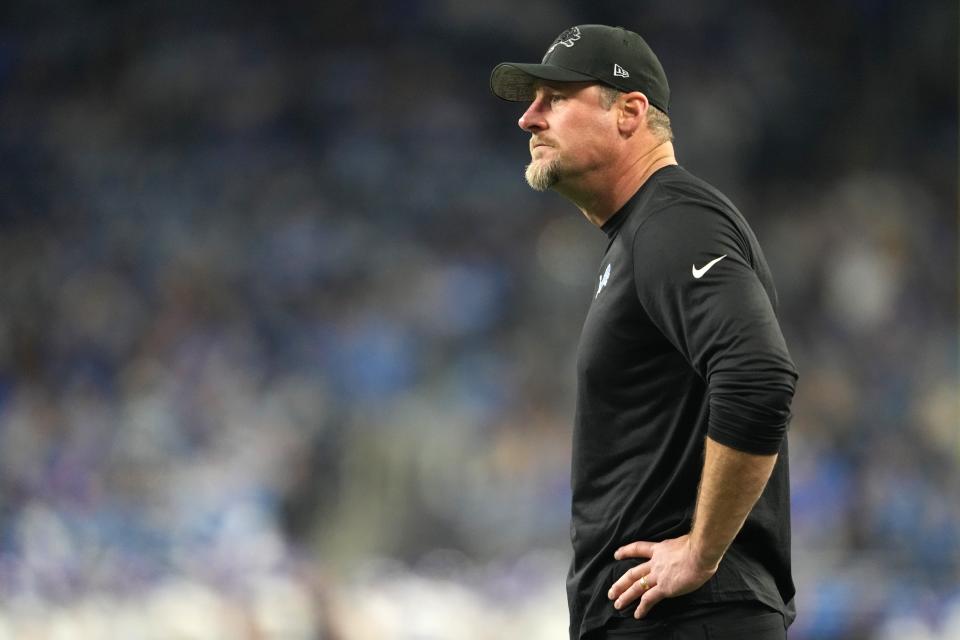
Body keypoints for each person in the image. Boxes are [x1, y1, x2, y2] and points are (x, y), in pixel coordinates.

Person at [490, 25, 799, 640]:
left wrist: (701, 552)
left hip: (689, 617)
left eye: (554, 98)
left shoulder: (674, 219)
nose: (528, 118)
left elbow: (759, 376)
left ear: (630, 112)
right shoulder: (642, 233)